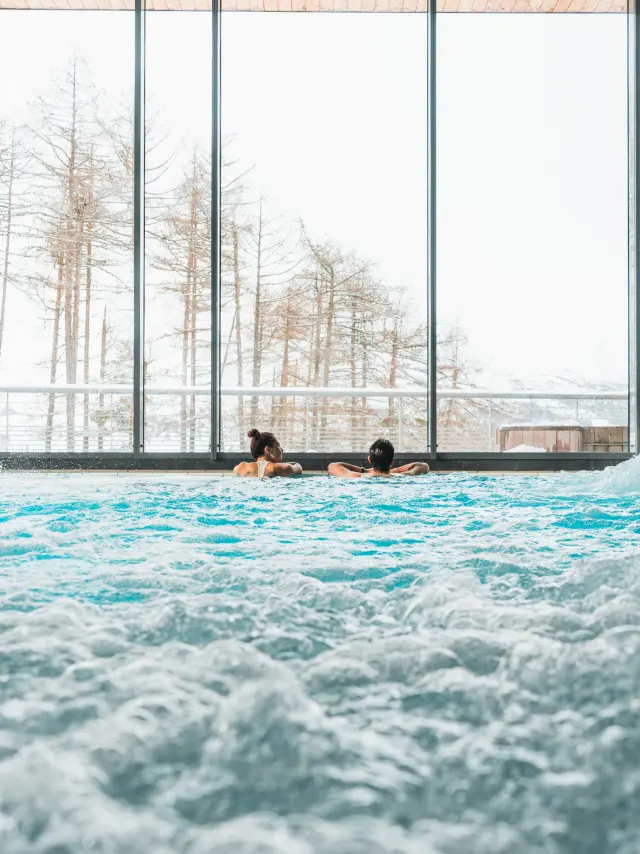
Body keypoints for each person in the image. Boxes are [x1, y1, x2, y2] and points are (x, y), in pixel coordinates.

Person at [328, 438, 429, 479]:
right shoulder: (402, 476)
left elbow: (332, 466)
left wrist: (364, 470)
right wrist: (394, 471)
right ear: (392, 462)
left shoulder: (359, 477)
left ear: (369, 460)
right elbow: (424, 466)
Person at [233, 429, 303, 479]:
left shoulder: (241, 467)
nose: (282, 450)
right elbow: (298, 467)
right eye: (278, 446)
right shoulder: (282, 468)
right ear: (268, 449)